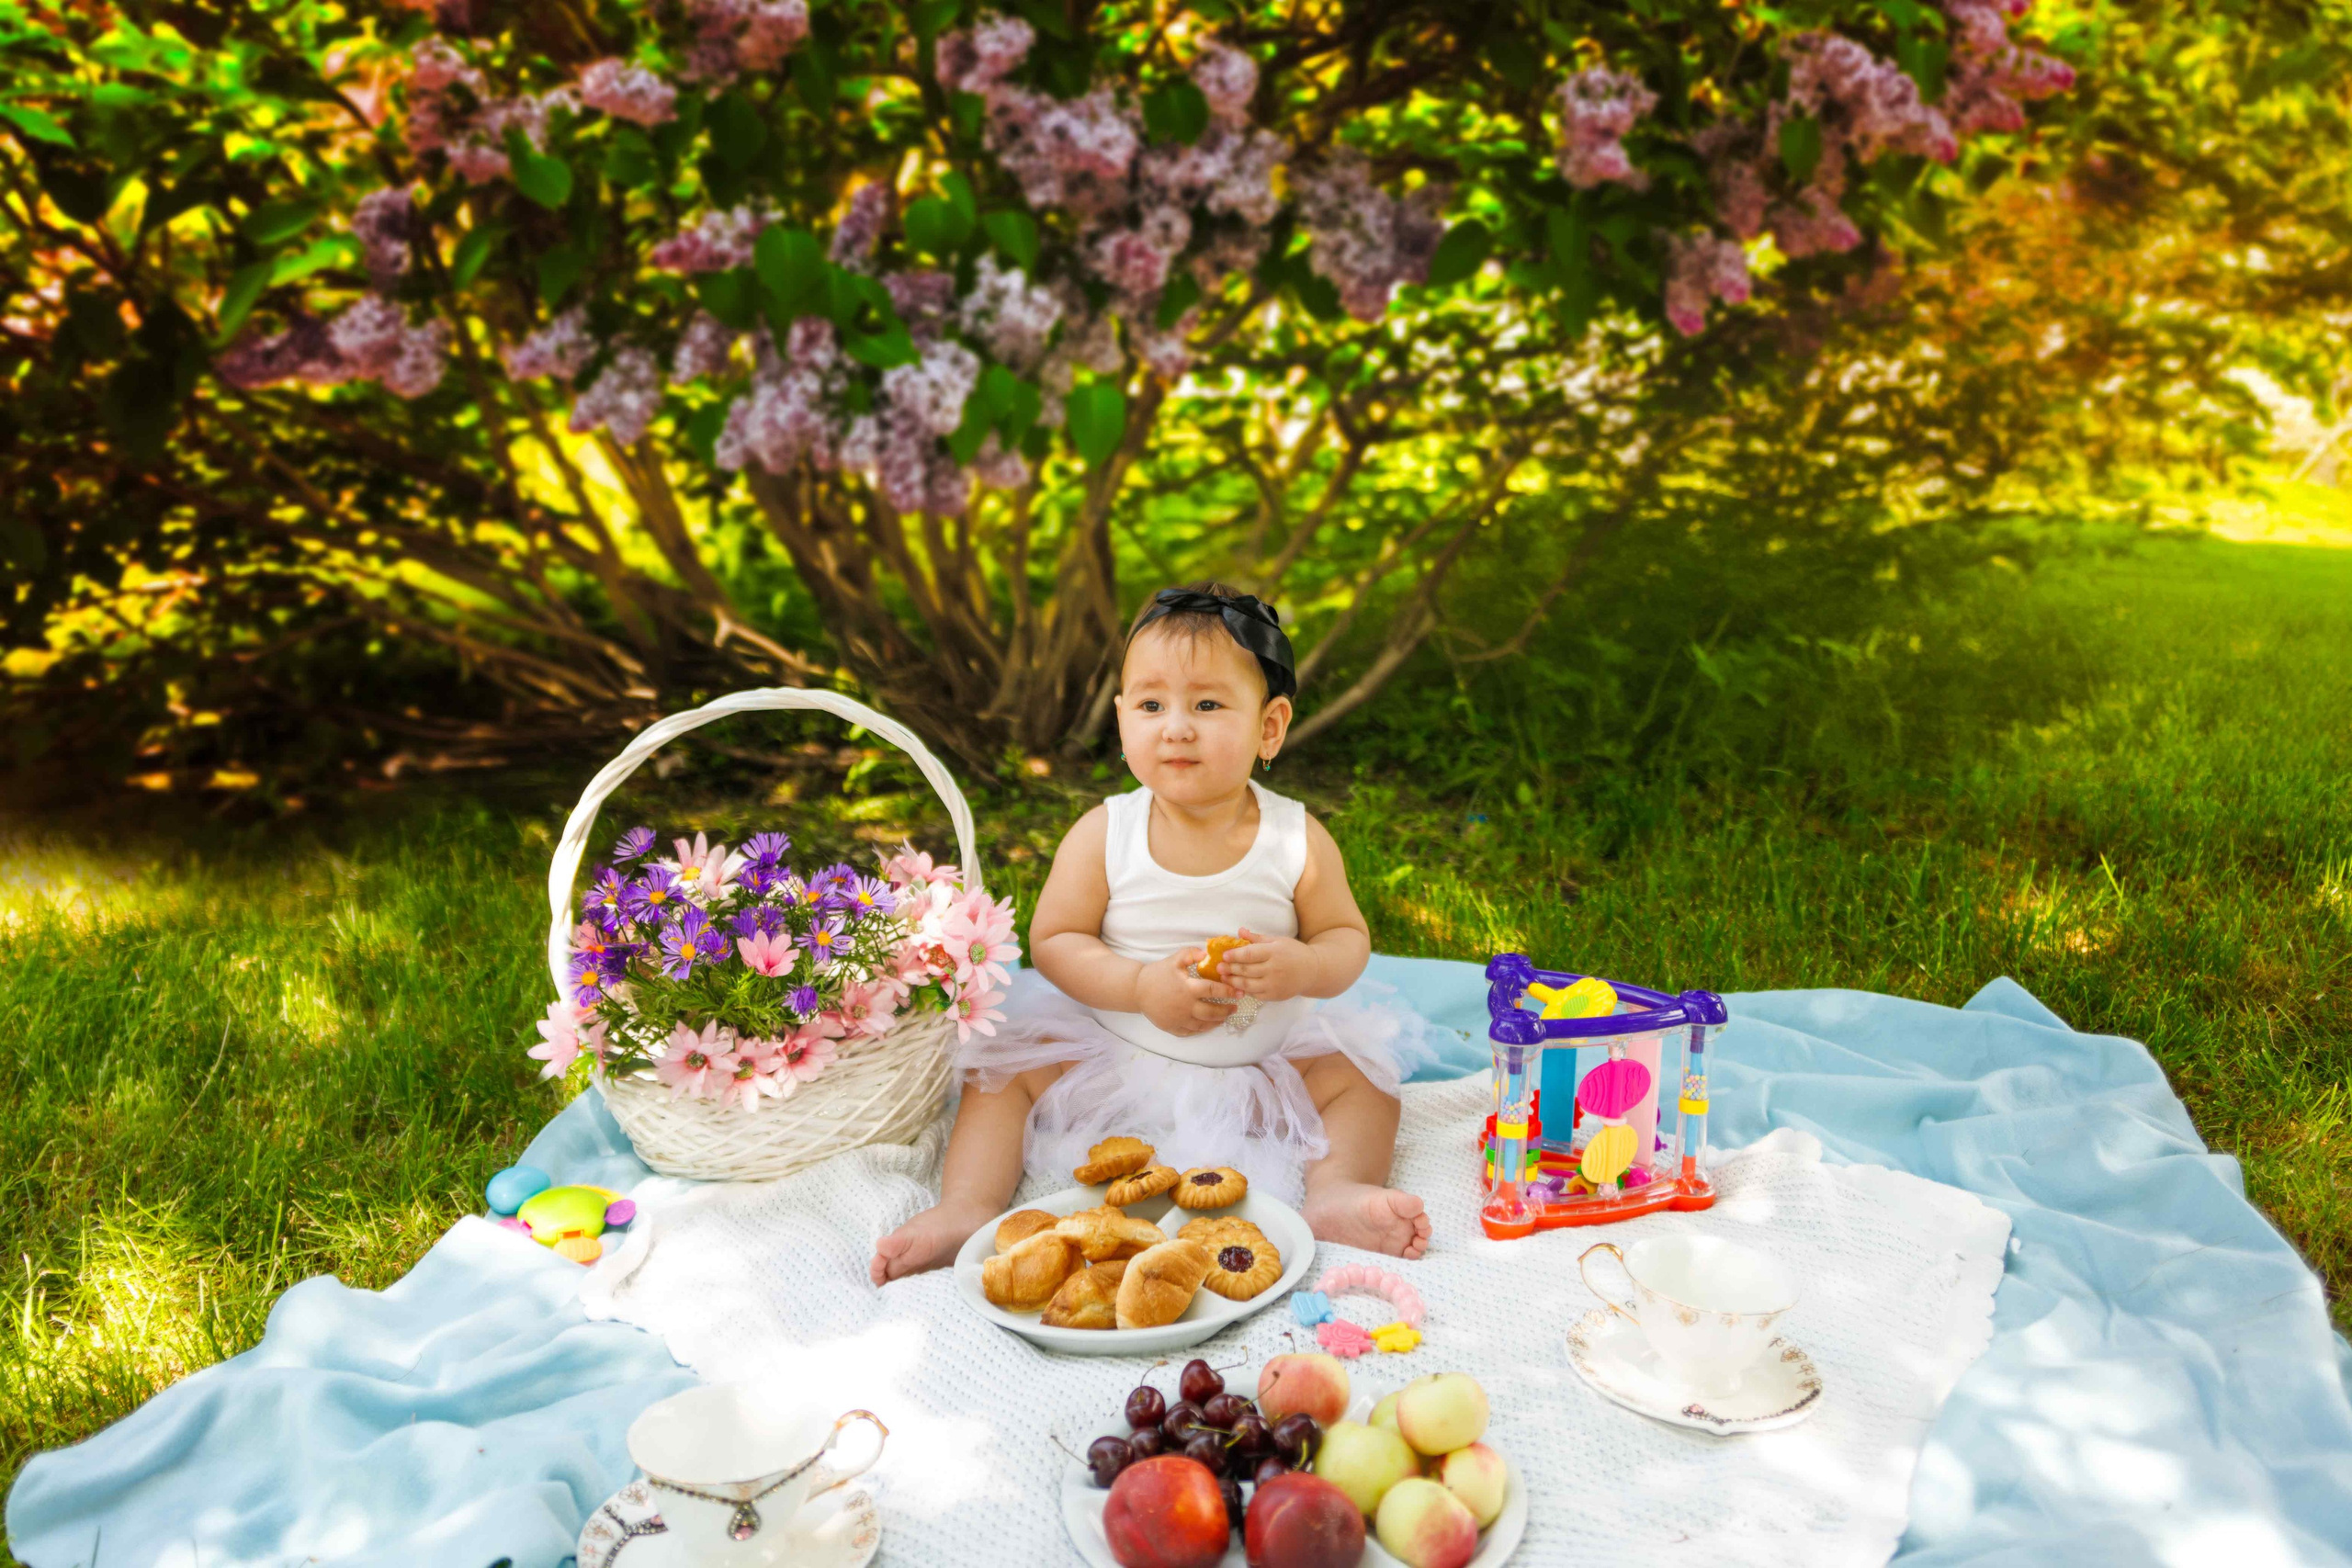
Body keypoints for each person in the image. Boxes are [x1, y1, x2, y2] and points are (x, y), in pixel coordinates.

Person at [870, 582, 1438, 1284]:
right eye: (1150, 704)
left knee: (1365, 1084)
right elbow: (1056, 940)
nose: (1176, 726)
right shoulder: (1106, 833)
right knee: (1003, 1074)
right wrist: (1138, 985)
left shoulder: (1297, 838)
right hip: (1115, 1044)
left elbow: (1346, 936)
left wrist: (1303, 965)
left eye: (1206, 704)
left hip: (1262, 1054)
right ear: (1122, 719)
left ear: (1270, 726)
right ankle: (964, 1204)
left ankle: (1336, 1193)